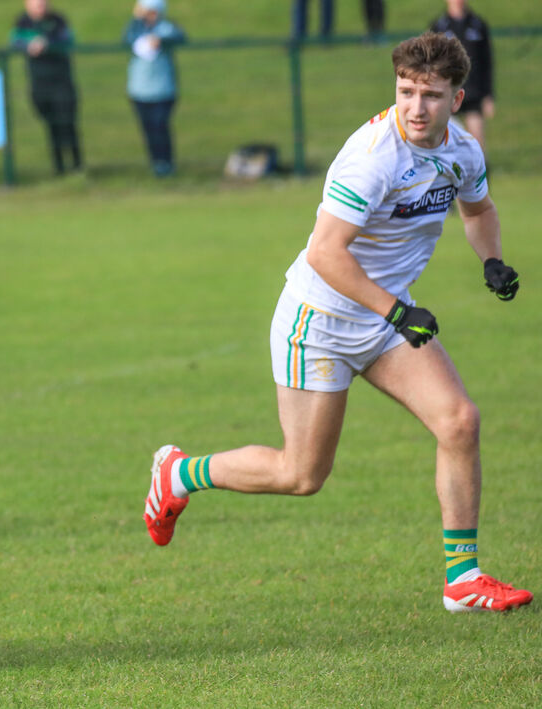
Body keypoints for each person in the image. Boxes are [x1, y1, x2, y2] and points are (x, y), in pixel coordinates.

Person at [145, 32, 531, 614]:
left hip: (383, 319)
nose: (415, 107)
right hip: (319, 321)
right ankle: (179, 473)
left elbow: (478, 209)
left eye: (430, 94)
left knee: (459, 421)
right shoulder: (374, 157)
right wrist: (398, 311)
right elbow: (327, 253)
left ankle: (462, 578)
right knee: (301, 475)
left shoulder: (463, 151)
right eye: (405, 91)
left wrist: (492, 259)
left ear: (457, 98)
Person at [11, 0, 81, 175]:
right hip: (39, 83)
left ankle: (77, 165)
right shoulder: (23, 22)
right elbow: (15, 41)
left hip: (61, 82)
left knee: (67, 123)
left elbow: (67, 38)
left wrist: (47, 42)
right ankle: (59, 167)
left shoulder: (57, 20)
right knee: (51, 125)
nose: (40, 6)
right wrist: (30, 45)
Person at [122, 0, 185, 178]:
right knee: (148, 129)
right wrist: (135, 19)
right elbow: (126, 38)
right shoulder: (136, 29)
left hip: (163, 89)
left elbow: (180, 36)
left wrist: (161, 41)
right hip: (139, 89)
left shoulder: (166, 28)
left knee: (161, 127)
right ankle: (155, 164)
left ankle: (167, 164)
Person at [430, 0, 494, 151]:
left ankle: (482, 173)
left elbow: (487, 62)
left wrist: (488, 95)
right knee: (445, 141)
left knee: (477, 142)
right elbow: (432, 64)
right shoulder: (439, 26)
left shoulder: (478, 25)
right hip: (448, 91)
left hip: (473, 92)